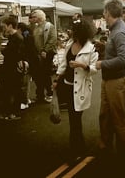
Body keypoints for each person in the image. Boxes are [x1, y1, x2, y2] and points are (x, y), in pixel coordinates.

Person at [53, 19, 98, 163]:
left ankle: (76, 150)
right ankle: (79, 147)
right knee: (73, 119)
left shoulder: (91, 48)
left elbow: (94, 69)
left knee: (75, 119)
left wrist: (82, 65)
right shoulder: (69, 44)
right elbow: (63, 64)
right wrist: (57, 79)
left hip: (81, 88)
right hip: (67, 85)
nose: (72, 33)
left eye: (75, 31)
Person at [96, 0, 125, 160]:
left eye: (104, 12)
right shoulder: (116, 30)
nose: (103, 16)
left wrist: (102, 64)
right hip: (111, 80)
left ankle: (123, 151)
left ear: (108, 13)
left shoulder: (119, 32)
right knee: (105, 115)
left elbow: (124, 59)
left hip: (117, 81)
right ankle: (105, 145)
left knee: (117, 118)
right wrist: (104, 47)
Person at [0, 15, 25, 121]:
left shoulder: (17, 38)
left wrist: (4, 51)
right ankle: (11, 111)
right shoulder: (15, 37)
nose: (4, 29)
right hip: (10, 67)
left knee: (14, 90)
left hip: (13, 68)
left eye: (4, 26)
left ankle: (14, 112)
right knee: (10, 90)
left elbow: (15, 54)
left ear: (10, 26)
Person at [30, 9, 57, 103]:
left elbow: (53, 38)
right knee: (38, 75)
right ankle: (40, 95)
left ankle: (49, 93)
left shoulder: (49, 26)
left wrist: (45, 50)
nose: (32, 19)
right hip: (38, 54)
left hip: (47, 53)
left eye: (34, 17)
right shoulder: (36, 27)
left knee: (45, 74)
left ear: (40, 17)